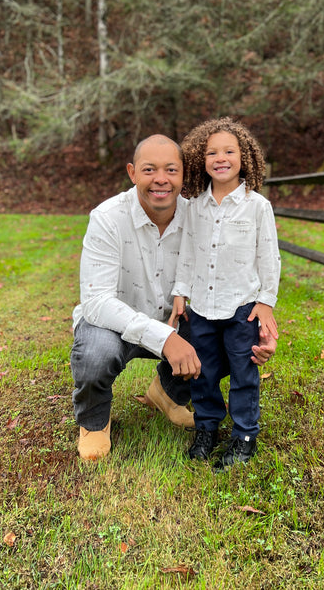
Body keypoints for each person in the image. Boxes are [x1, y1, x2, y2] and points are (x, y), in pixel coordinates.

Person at [70, 134, 276, 461]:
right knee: (96, 353)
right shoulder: (108, 218)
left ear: (185, 173)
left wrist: (258, 328)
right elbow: (96, 303)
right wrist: (166, 339)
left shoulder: (201, 214)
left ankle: (168, 393)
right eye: (149, 170)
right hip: (111, 325)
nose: (161, 179)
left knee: (227, 341)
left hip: (176, 319)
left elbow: (238, 276)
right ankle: (94, 422)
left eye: (171, 170)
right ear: (132, 172)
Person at [170, 118, 280, 469]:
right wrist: (180, 293)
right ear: (201, 160)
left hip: (241, 308)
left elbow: (269, 256)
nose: (221, 158)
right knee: (203, 373)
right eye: (211, 152)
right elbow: (187, 252)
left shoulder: (257, 206)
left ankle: (244, 436)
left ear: (243, 157)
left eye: (229, 151)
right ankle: (207, 428)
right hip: (202, 306)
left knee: (244, 374)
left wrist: (265, 302)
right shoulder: (195, 207)